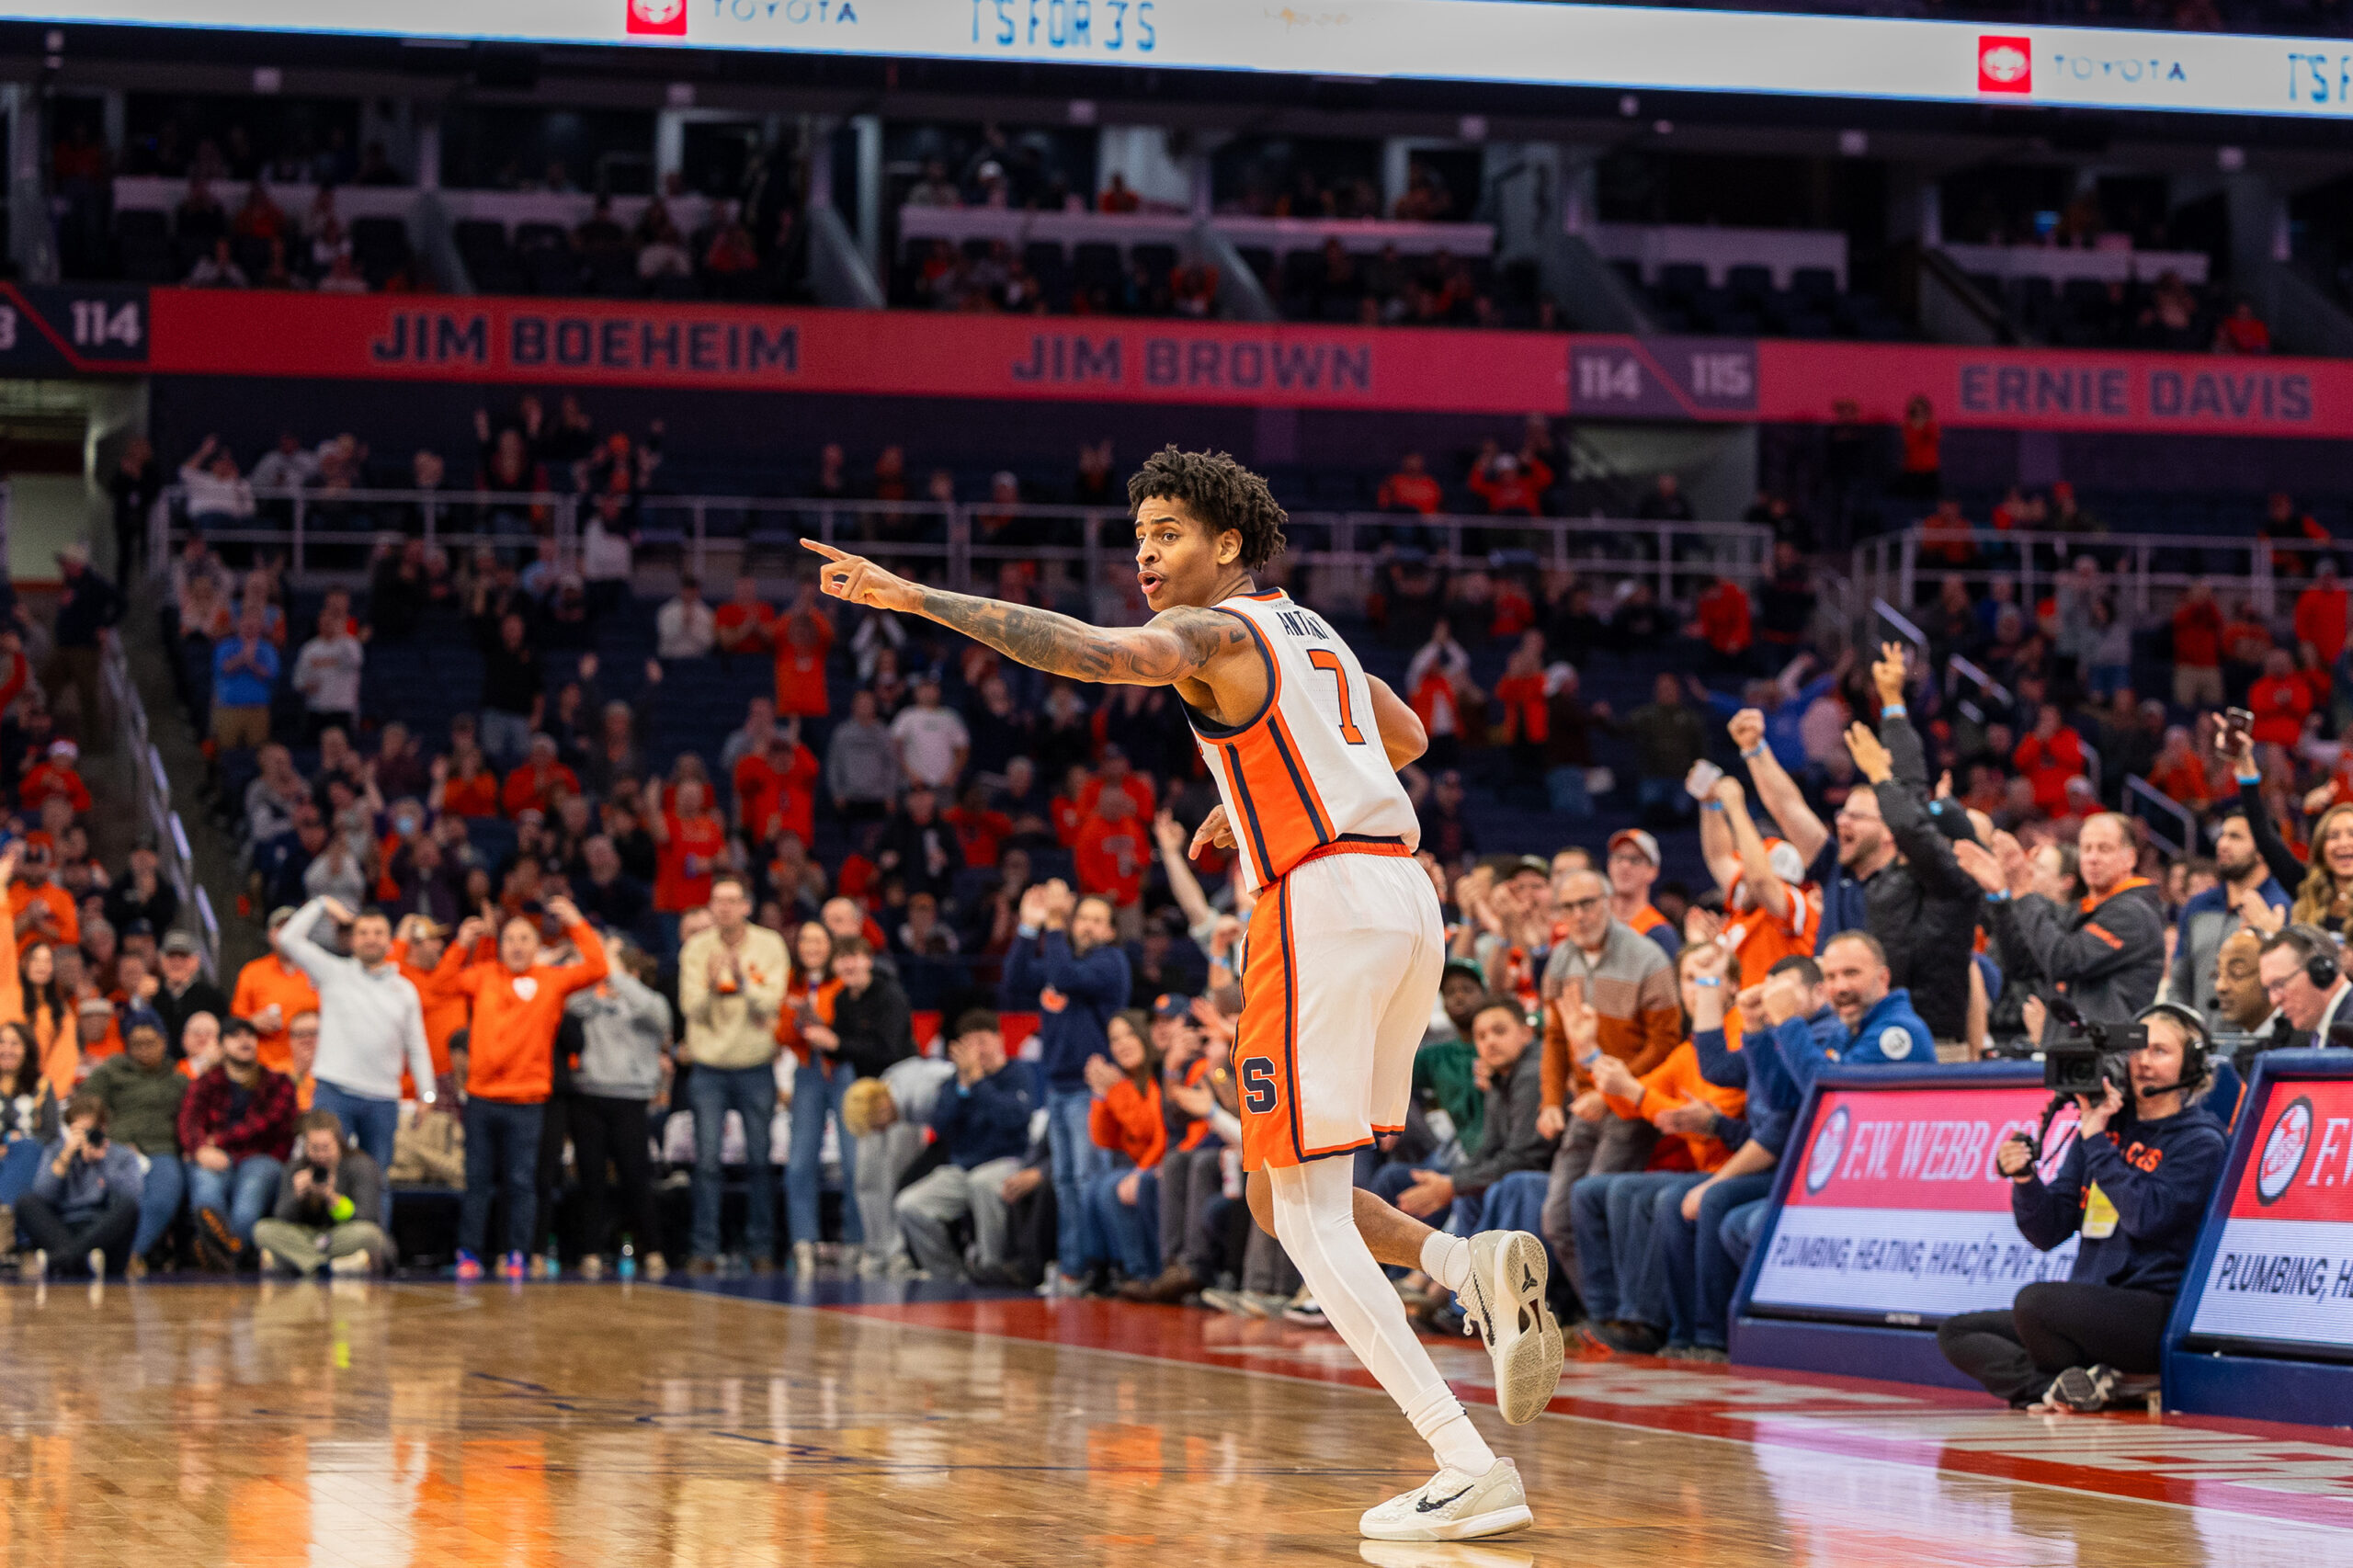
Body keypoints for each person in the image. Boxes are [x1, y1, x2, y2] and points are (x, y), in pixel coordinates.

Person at [808, 443, 1561, 1541]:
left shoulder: (1218, 632)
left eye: (1168, 533)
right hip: (1401, 897)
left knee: (1299, 1214)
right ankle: (1466, 1262)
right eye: (1140, 535)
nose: (1147, 554)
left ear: (1231, 546)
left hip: (1319, 905)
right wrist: (1250, 796)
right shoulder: (1318, 633)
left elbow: (1093, 652)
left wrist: (915, 595)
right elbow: (1403, 735)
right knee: (1275, 1189)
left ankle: (1464, 1459)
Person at [1938, 1004, 2228, 1410]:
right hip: (2090, 1307)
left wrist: (2096, 1141)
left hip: (2151, 1312)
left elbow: (2146, 1218)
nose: (2143, 1061)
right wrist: (2025, 1181)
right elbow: (2047, 1231)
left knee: (2036, 1304)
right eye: (2137, 1049)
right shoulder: (2104, 1125)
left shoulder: (2201, 1142)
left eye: (2160, 1051)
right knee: (1957, 1332)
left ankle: (2106, 1378)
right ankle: (2065, 1388)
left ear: (2193, 1063)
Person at [438, 897, 608, 1279]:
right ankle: (469, 1254)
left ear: (537, 947)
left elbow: (598, 967)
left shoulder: (552, 980)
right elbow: (442, 984)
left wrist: (577, 922)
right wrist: (461, 943)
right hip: (482, 1098)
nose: (516, 945)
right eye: (510, 939)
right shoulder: (484, 975)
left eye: (524, 939)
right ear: (500, 946)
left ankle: (517, 1254)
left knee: (521, 1182)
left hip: (528, 1100)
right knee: (478, 1181)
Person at [1002, 881, 1132, 1292]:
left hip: (1090, 1089)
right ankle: (1072, 1268)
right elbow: (1015, 979)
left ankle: (1095, 1268)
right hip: (1058, 1087)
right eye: (1084, 918)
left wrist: (1055, 925)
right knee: (1065, 1182)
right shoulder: (1065, 961)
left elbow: (1061, 973)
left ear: (1111, 930)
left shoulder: (1110, 962)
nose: (1090, 927)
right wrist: (1028, 928)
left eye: (1099, 920)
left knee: (1087, 1180)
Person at [274, 898, 437, 1212]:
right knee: (316, 1173)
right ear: (352, 939)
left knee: (378, 1181)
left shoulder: (405, 991)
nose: (371, 938)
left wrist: (427, 1094)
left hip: (382, 1099)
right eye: (363, 932)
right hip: (334, 1092)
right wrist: (322, 904)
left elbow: (417, 1046)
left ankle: (373, 1254)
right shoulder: (333, 972)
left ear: (390, 942)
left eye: (378, 932)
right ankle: (318, 1248)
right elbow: (288, 938)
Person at [677, 873, 789, 1273]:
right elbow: (690, 1008)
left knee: (760, 1161)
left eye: (732, 900)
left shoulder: (770, 945)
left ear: (746, 906)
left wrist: (741, 982)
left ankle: (761, 1249)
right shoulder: (695, 948)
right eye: (717, 901)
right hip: (709, 1068)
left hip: (756, 1066)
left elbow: (772, 1003)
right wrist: (711, 986)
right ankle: (703, 1249)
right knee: (707, 1163)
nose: (724, 907)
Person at [1961, 813, 2164, 1027]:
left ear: (2130, 858)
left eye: (2104, 849)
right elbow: (2022, 964)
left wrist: (2023, 891)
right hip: (2071, 1050)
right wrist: (2000, 898)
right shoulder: (2080, 910)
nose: (2092, 858)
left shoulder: (2133, 913)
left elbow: (2065, 961)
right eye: (2086, 849)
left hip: (2107, 1054)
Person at [795, 934, 912, 1271]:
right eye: (841, 960)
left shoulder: (889, 995)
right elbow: (843, 1047)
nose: (847, 965)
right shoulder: (845, 999)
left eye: (854, 958)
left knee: (894, 1173)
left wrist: (835, 1040)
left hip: (899, 1087)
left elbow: (887, 1049)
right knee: (865, 1176)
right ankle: (876, 1249)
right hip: (868, 1091)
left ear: (868, 959)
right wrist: (816, 1025)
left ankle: (899, 1251)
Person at [893, 1010, 1037, 1281]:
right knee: (909, 1205)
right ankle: (948, 1274)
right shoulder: (955, 1081)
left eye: (982, 1041)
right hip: (963, 1167)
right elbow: (941, 1125)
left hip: (1009, 1161)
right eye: (969, 1044)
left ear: (1000, 1040)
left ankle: (991, 1266)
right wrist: (962, 1087)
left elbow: (1012, 1119)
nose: (976, 1051)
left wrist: (978, 1082)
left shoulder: (1018, 1073)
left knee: (982, 1183)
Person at [564, 937, 673, 1279]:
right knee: (591, 1179)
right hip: (589, 1095)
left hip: (630, 1098)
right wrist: (596, 974)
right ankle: (590, 1251)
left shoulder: (647, 1003)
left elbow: (660, 1017)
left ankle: (653, 1249)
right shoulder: (591, 1002)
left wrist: (617, 973)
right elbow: (568, 1004)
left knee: (636, 1179)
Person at [176, 1016, 299, 1269]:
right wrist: (199, 1149)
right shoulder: (206, 1082)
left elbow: (267, 1125)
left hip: (263, 1157)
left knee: (248, 1199)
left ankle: (218, 1254)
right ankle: (230, 1255)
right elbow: (188, 1121)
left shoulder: (278, 1082)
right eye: (235, 1036)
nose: (245, 1041)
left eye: (250, 1035)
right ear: (221, 1046)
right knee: (205, 1190)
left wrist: (217, 1140)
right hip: (214, 1155)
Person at [83, 1015, 185, 1273]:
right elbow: (85, 1105)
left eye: (150, 1042)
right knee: (116, 1194)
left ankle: (130, 1255)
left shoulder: (179, 1081)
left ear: (164, 1042)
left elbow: (193, 1119)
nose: (143, 1049)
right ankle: (98, 1251)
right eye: (136, 1043)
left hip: (161, 1149)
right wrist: (108, 1139)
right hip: (117, 1146)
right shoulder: (111, 1071)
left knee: (164, 1192)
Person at [2167, 809, 2288, 1018]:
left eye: (2235, 837)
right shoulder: (2197, 906)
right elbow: (2179, 985)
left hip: (2262, 1043)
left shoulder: (2285, 906)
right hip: (2202, 1041)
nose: (2222, 844)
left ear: (2264, 848)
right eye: (2222, 835)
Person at [17, 1091, 142, 1278]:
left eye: (89, 1131)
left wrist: (102, 1163)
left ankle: (61, 1260)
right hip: (62, 1229)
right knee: (25, 1202)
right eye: (78, 1131)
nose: (84, 1137)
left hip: (102, 1230)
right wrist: (66, 1157)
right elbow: (43, 1195)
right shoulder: (57, 1151)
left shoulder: (121, 1155)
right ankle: (80, 1259)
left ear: (103, 1127)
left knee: (129, 1207)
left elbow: (132, 1196)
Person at [252, 1108, 390, 1276]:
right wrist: (297, 1196)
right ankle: (327, 1266)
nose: (321, 1155)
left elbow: (368, 1217)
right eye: (315, 1148)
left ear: (338, 1143)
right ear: (305, 1147)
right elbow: (280, 1217)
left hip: (341, 1236)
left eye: (326, 1148)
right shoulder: (296, 1167)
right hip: (305, 1236)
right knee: (262, 1229)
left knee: (370, 1234)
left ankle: (298, 1262)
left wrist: (332, 1198)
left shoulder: (361, 1165)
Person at [231, 907, 321, 1074]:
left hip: (315, 1067)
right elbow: (234, 1025)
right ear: (270, 935)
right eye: (281, 928)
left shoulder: (319, 969)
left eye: (293, 928)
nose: (287, 934)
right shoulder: (253, 972)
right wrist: (252, 1023)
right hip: (267, 1068)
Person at [2255, 926, 2353, 1049]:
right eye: (2268, 989)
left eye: (2279, 984)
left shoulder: (2349, 1034)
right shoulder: (2322, 1029)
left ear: (2320, 972)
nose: (2274, 1000)